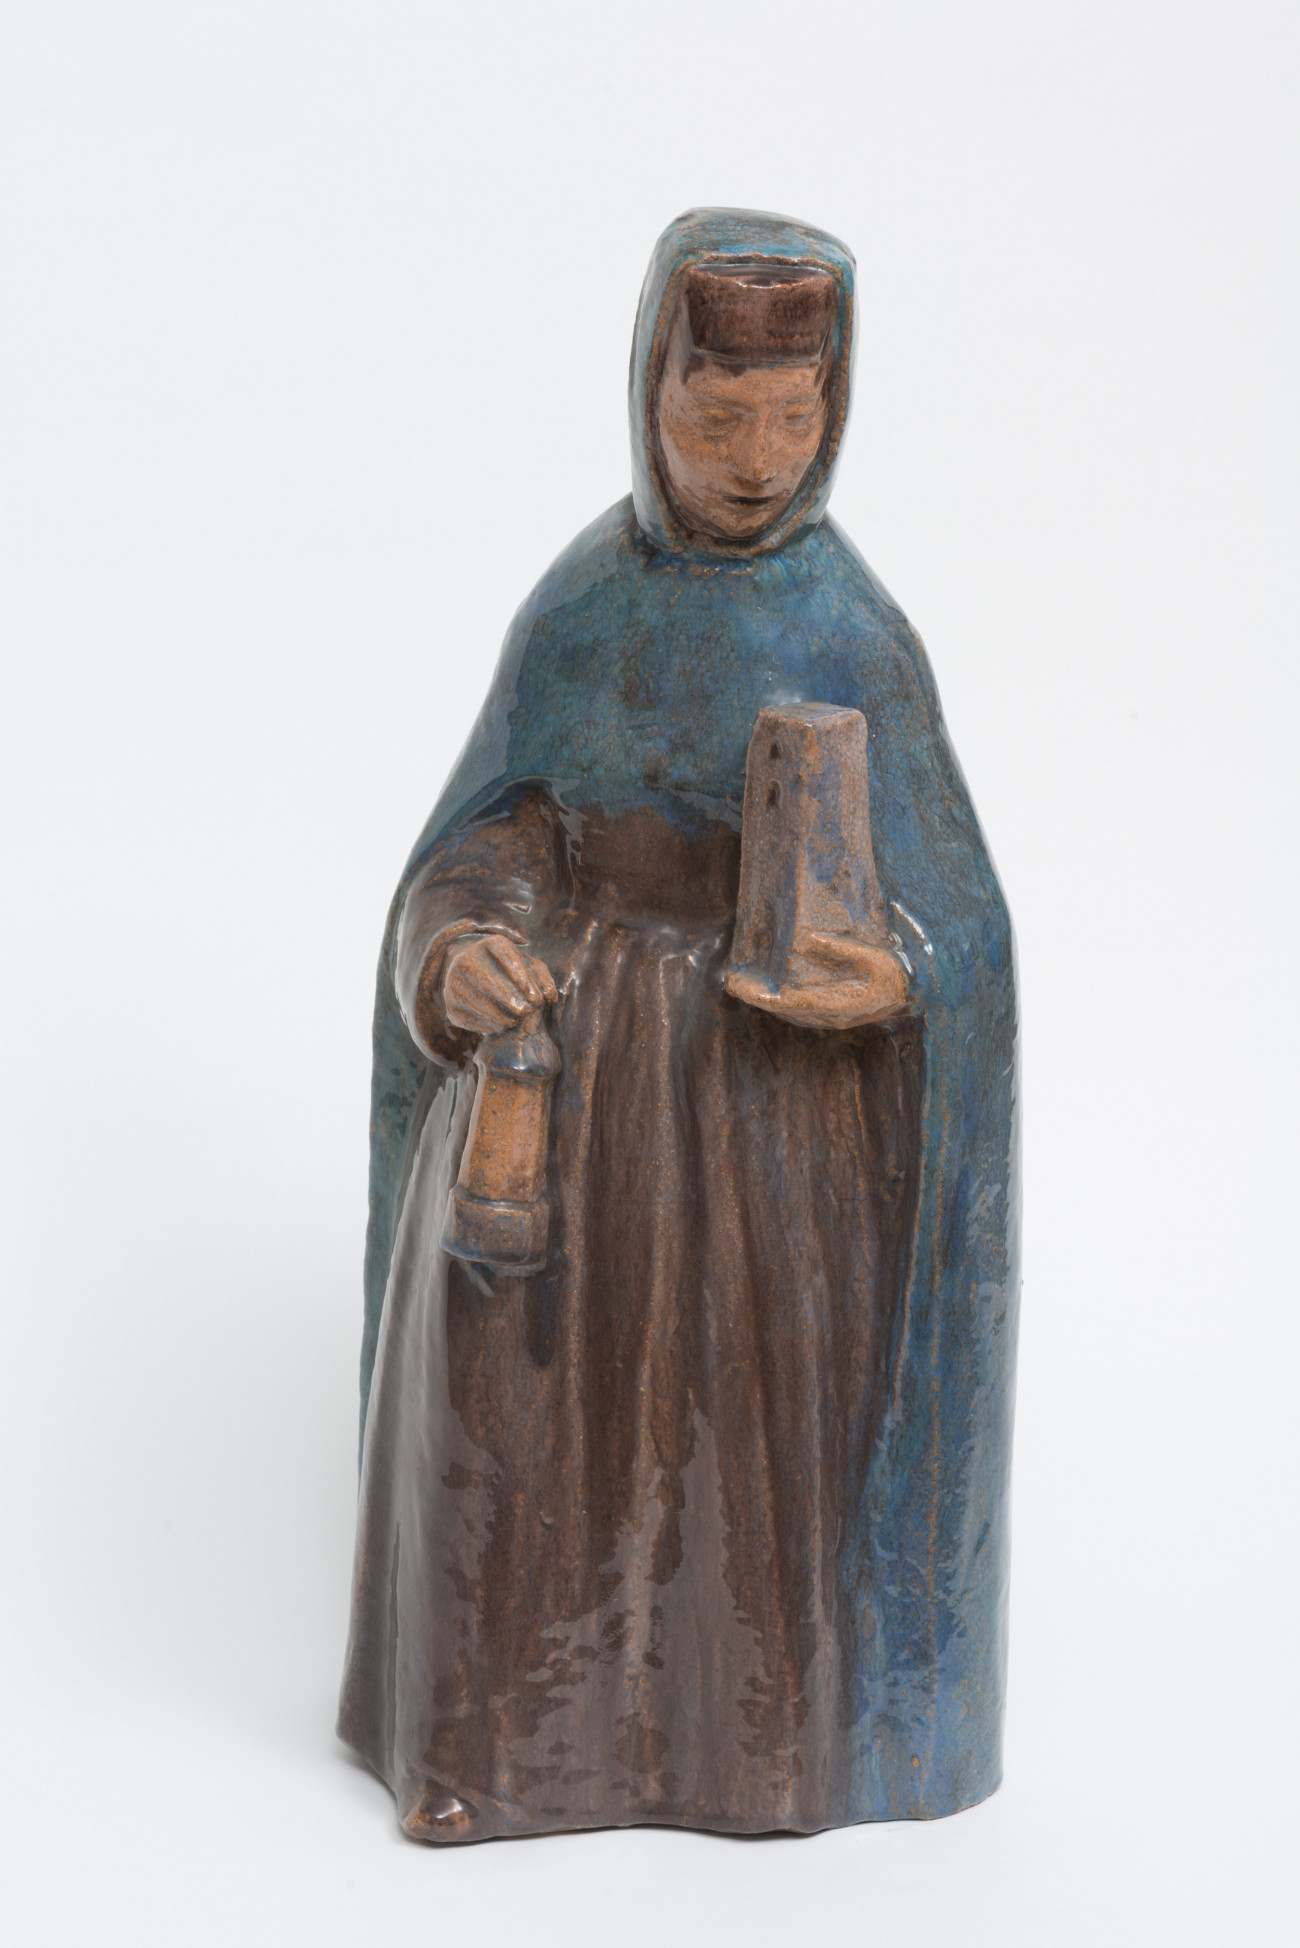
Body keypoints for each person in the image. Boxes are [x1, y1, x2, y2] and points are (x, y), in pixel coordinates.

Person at [339, 208, 1019, 1843]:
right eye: (718, 416)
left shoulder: (857, 633)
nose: (755, 459)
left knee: (743, 1440)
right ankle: (505, 1751)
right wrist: (462, 948)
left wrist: (897, 979)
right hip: (572, 1083)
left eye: (791, 415)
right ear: (650, 388)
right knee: (519, 1412)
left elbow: (964, 919)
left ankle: (756, 1757)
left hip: (771, 1124)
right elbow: (487, 836)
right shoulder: (582, 608)